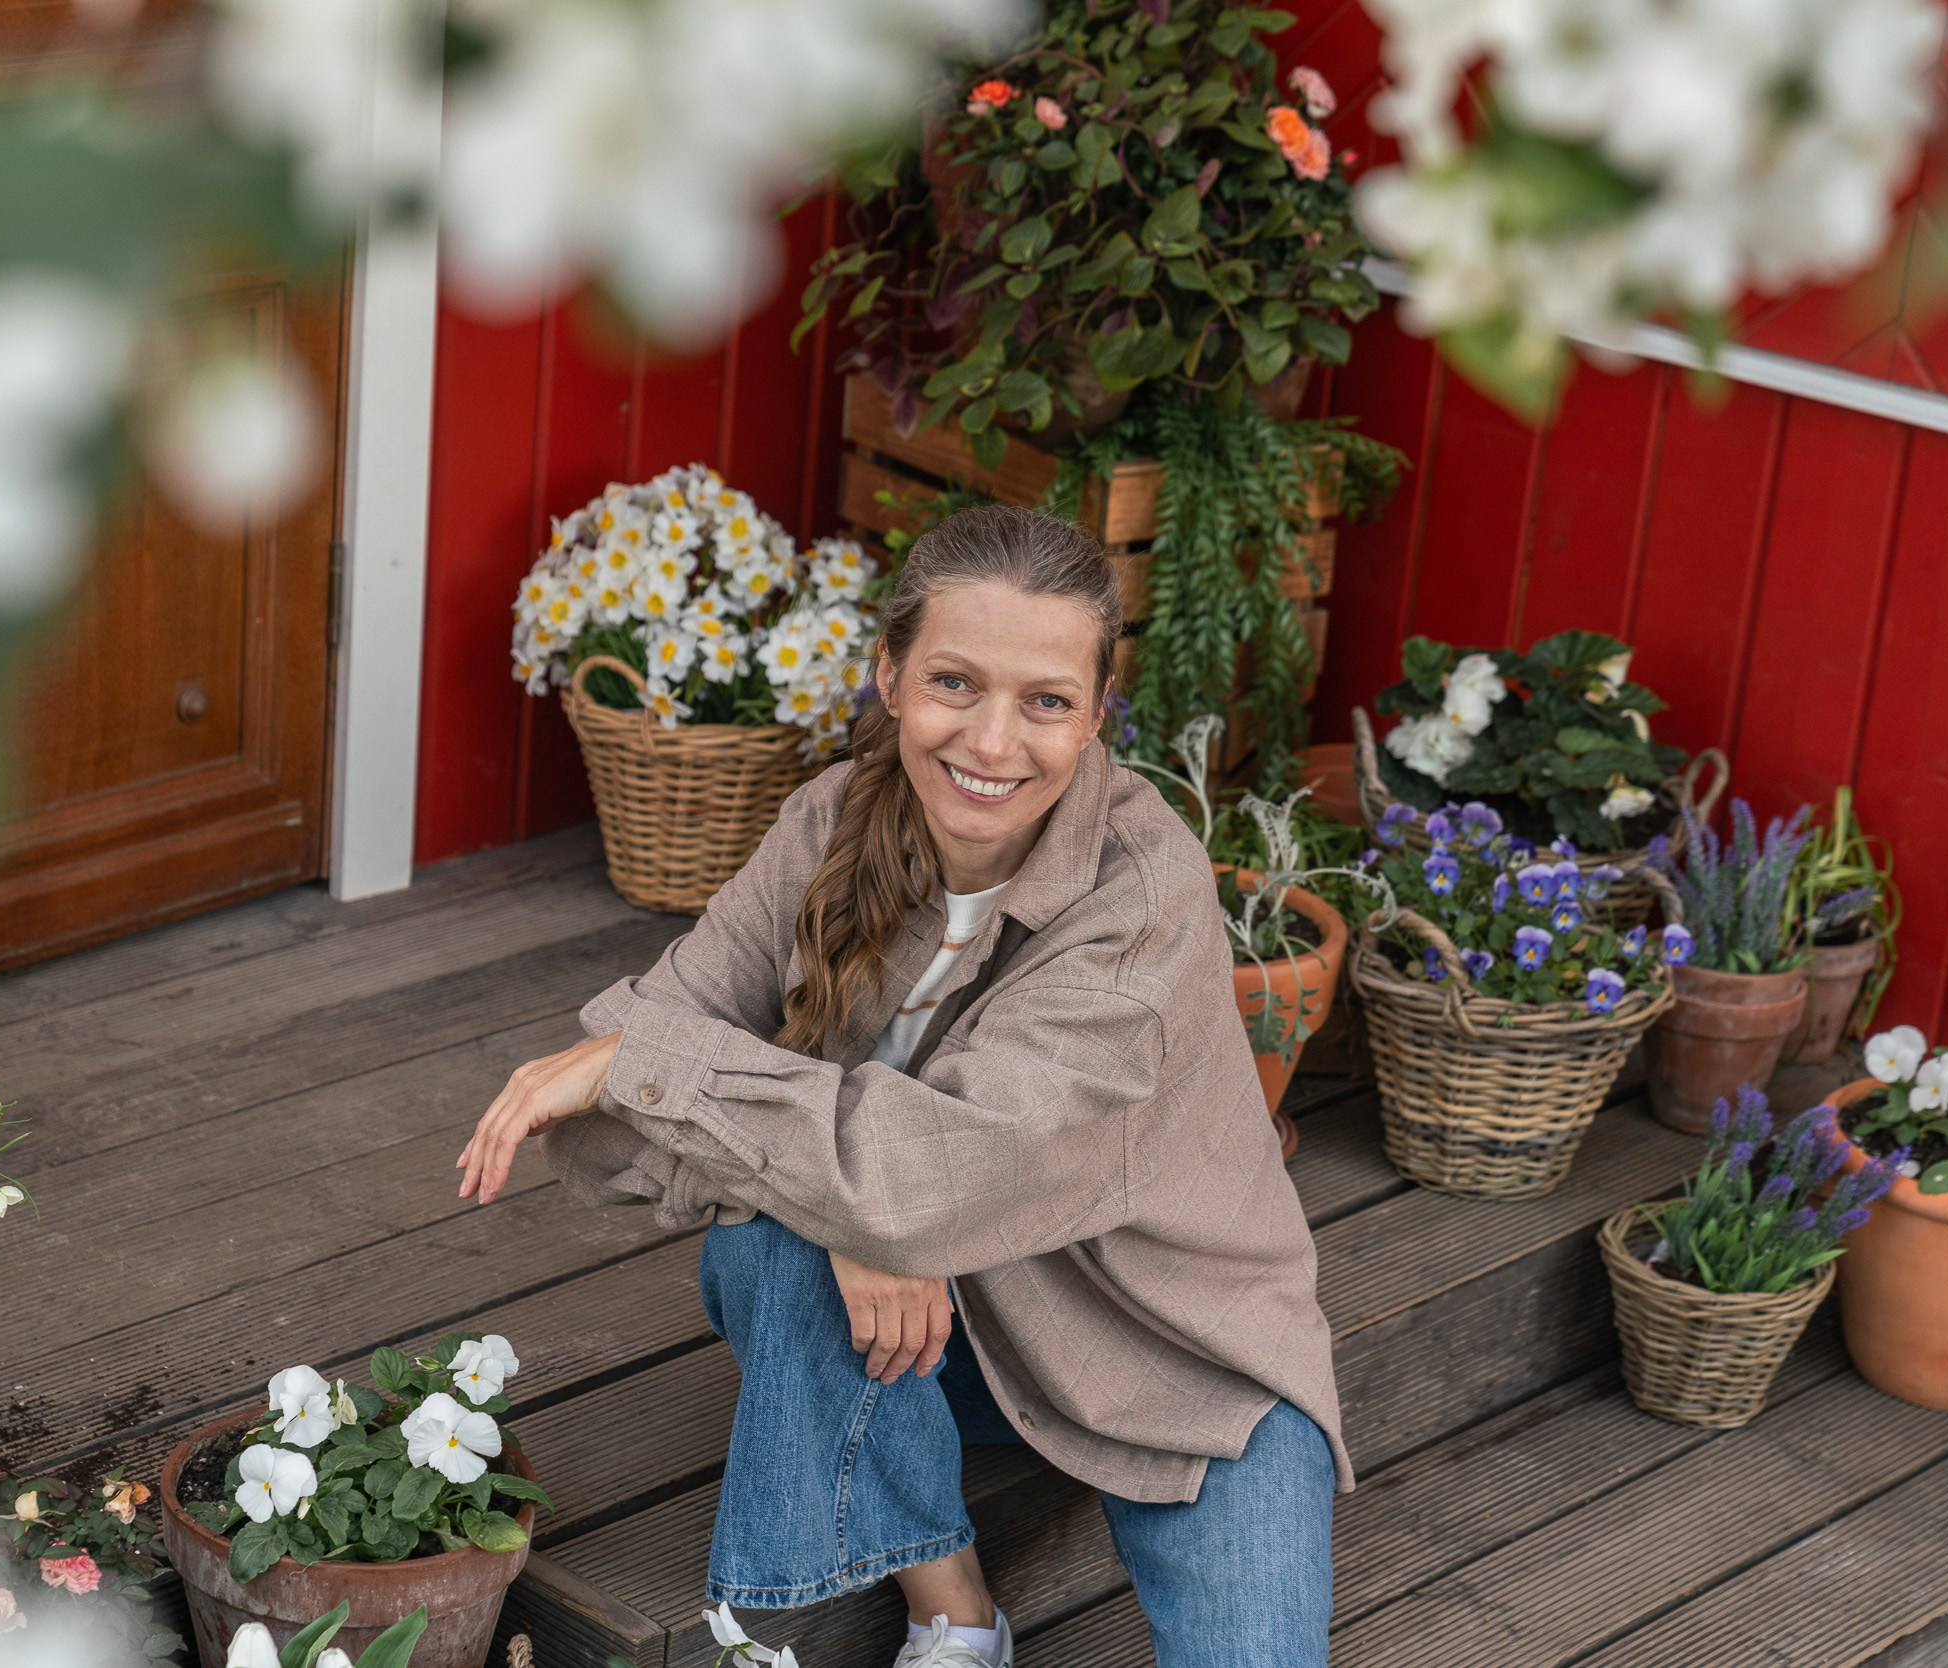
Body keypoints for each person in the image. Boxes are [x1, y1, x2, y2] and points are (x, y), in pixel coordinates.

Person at [456, 505, 1346, 1668]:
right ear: (887, 675)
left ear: (1094, 713)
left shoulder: (1143, 899)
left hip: (1177, 1355)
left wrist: (694, 1092)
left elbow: (934, 1155)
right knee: (769, 1245)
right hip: (944, 1331)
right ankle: (952, 1608)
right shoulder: (826, 822)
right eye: (954, 683)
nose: (991, 742)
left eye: (1045, 701)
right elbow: (626, 1116)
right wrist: (852, 1220)